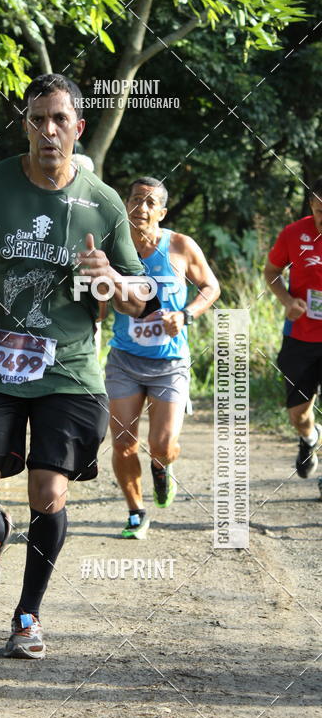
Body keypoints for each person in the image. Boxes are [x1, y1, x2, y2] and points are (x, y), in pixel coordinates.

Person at [0, 73, 155, 659]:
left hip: (70, 370)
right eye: (38, 119)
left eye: (60, 119)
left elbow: (140, 293)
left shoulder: (104, 202)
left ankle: (27, 615)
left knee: (48, 493)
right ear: (25, 125)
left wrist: (111, 278)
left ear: (78, 128)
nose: (48, 130)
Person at [105, 177, 220, 539]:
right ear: (126, 205)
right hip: (124, 358)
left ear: (162, 212)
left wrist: (185, 315)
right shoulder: (114, 248)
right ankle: (136, 513)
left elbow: (211, 287)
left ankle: (162, 467)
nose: (141, 208)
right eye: (136, 200)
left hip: (169, 364)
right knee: (124, 443)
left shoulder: (181, 246)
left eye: (150, 202)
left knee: (163, 446)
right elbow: (95, 295)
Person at [264, 177, 322, 478]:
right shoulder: (293, 234)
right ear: (312, 205)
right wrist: (287, 300)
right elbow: (272, 272)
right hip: (300, 336)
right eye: (320, 210)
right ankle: (310, 438)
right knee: (298, 415)